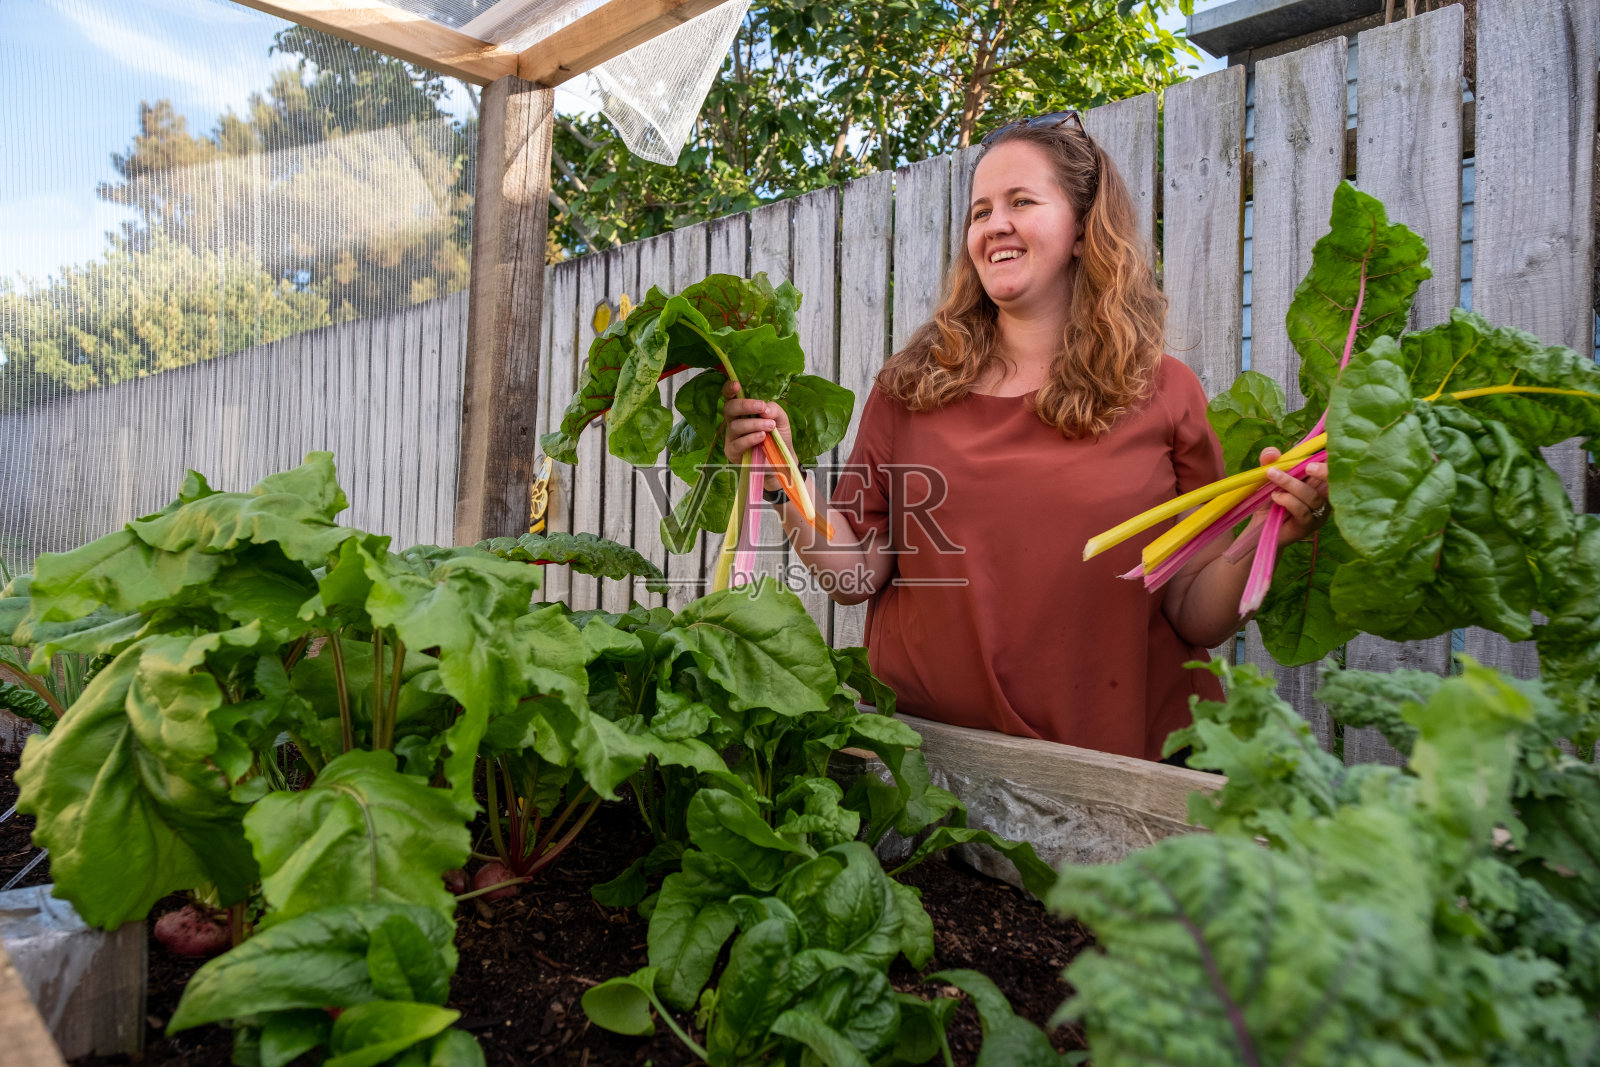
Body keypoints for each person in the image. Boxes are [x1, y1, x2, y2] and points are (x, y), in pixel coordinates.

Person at [722, 112, 1328, 763]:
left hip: (1121, 776)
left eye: (1021, 202)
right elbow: (856, 573)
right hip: (934, 777)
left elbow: (1193, 611)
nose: (994, 225)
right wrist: (778, 473)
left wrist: (1272, 532)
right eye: (980, 211)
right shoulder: (909, 389)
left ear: (1081, 229)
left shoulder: (1165, 392)